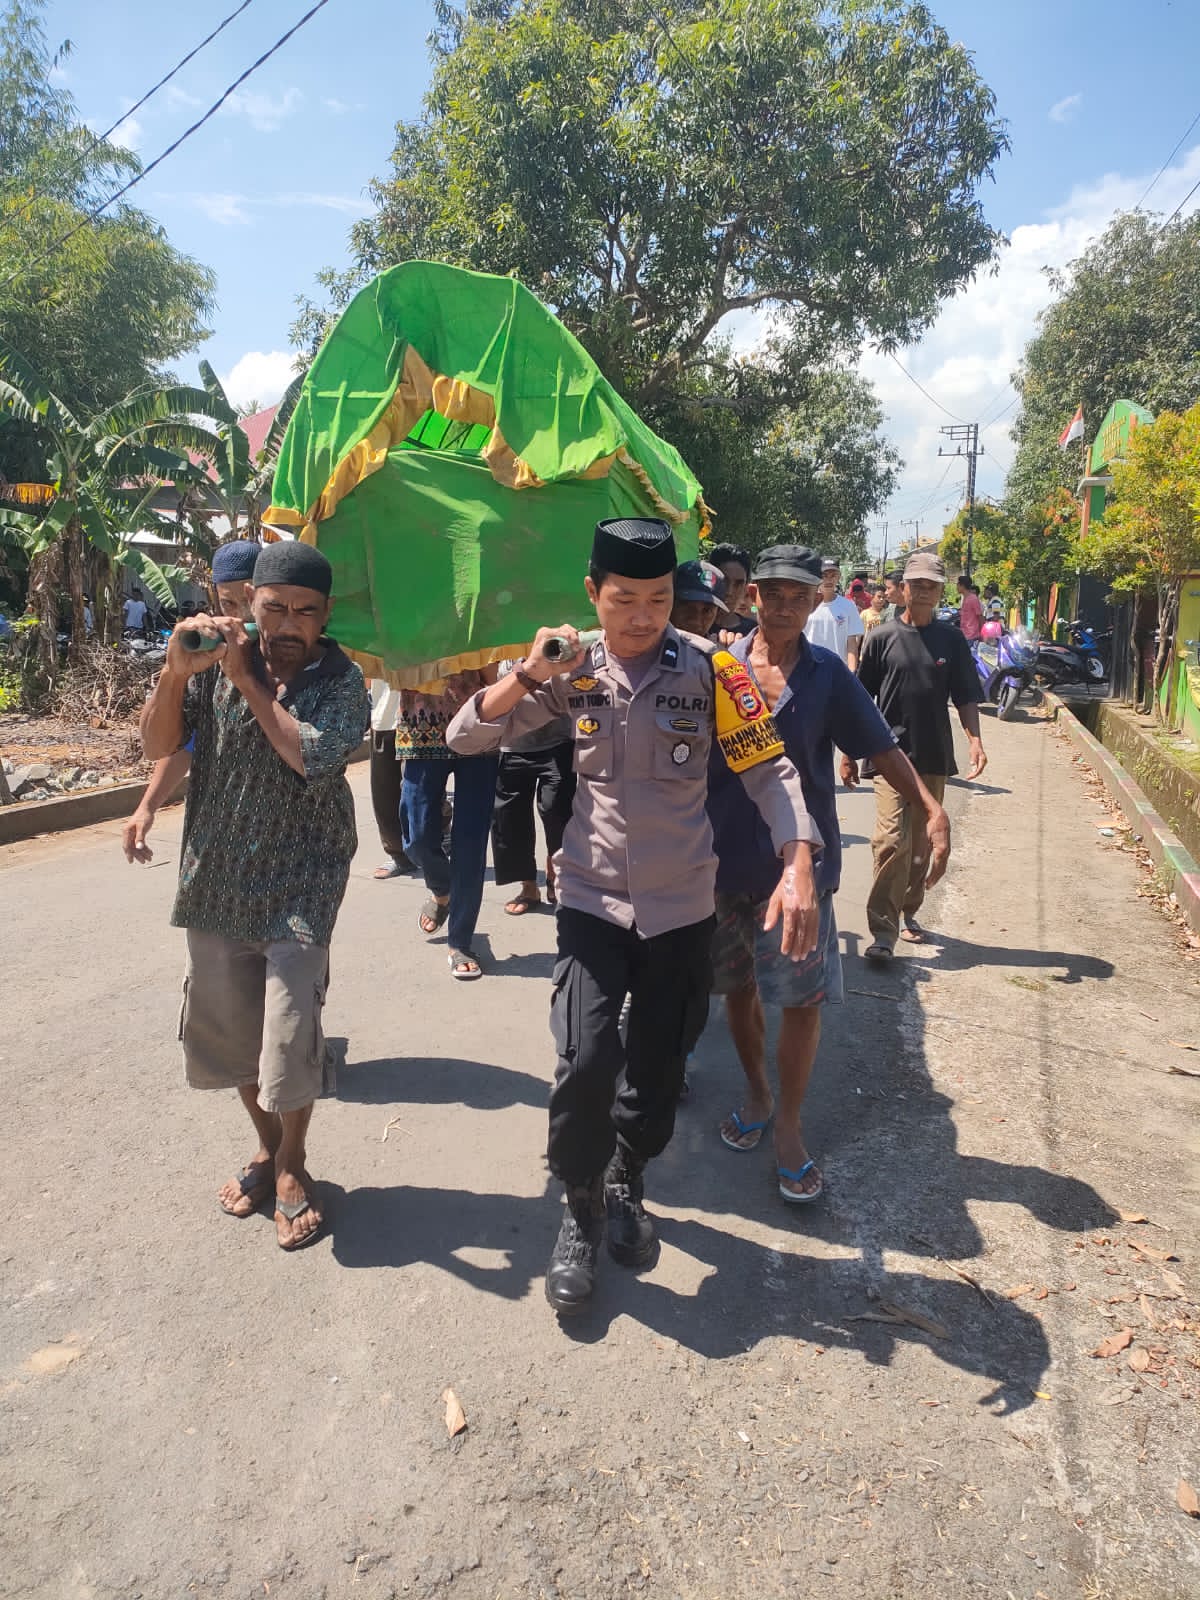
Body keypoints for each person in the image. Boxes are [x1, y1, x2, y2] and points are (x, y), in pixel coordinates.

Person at [446, 516, 822, 1315]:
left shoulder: (715, 672)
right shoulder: (570, 669)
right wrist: (526, 670)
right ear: (593, 594)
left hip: (683, 907)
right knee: (583, 1061)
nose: (645, 616)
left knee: (655, 1075)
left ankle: (628, 1178)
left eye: (659, 599)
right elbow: (467, 735)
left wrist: (797, 864)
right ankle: (579, 1209)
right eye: (625, 599)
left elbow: (769, 770)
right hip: (590, 899)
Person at [139, 541, 369, 1250]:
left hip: (303, 884)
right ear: (253, 606)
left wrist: (245, 679)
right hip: (215, 883)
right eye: (276, 609)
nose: (291, 625)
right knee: (238, 1042)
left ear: (326, 615)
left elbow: (310, 756)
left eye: (306, 612)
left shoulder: (341, 681)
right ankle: (268, 1150)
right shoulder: (215, 660)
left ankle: (294, 1165)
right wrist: (176, 676)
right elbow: (157, 744)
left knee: (291, 1038)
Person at [707, 545, 951, 1200]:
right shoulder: (719, 667)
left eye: (798, 595)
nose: (785, 605)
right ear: (753, 596)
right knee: (738, 989)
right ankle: (758, 1093)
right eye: (772, 593)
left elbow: (879, 746)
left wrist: (929, 807)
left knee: (803, 1000)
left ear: (817, 600)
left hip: (803, 869)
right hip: (724, 858)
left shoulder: (826, 677)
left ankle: (788, 1121)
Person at [854, 550, 986, 962]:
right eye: (918, 584)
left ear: (940, 590)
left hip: (932, 755)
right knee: (890, 839)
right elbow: (858, 701)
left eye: (932, 585)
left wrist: (975, 739)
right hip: (888, 756)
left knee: (919, 846)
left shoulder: (951, 640)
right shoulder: (880, 638)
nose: (924, 591)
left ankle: (909, 909)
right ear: (904, 589)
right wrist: (847, 753)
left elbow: (965, 694)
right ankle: (883, 930)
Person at [123, 541, 260, 864]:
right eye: (229, 603)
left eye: (249, 602)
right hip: (217, 839)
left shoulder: (292, 655)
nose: (239, 615)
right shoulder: (210, 658)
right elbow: (175, 746)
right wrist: (174, 674)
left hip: (285, 847)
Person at [399, 668, 500, 979]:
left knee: (470, 842)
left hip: (477, 725)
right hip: (421, 724)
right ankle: (443, 890)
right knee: (417, 833)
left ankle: (460, 942)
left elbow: (493, 672)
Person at [491, 660, 577, 915]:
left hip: (558, 741)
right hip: (511, 745)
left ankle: (556, 876)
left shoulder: (554, 638)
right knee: (509, 819)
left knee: (557, 812)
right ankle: (529, 887)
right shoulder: (500, 644)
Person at [369, 679, 415, 879]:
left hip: (411, 720)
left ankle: (440, 825)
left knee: (413, 788)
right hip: (382, 718)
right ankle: (399, 856)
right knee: (384, 791)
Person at [804, 559, 865, 671]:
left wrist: (851, 674)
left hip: (838, 672)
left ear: (838, 577)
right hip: (810, 671)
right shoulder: (805, 605)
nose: (828, 580)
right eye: (824, 575)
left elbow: (851, 643)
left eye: (833, 575)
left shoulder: (848, 606)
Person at [670, 557, 729, 640]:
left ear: (717, 613)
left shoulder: (720, 650)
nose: (696, 621)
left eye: (707, 611)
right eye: (688, 608)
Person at [706, 543, 756, 636]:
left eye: (738, 584)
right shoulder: (691, 624)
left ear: (746, 586)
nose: (729, 591)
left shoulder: (754, 633)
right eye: (724, 581)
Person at [957, 574, 984, 641]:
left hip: (972, 636)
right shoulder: (965, 598)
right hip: (965, 635)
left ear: (962, 586)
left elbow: (980, 617)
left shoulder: (973, 599)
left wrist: (982, 634)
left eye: (958, 584)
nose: (956, 587)